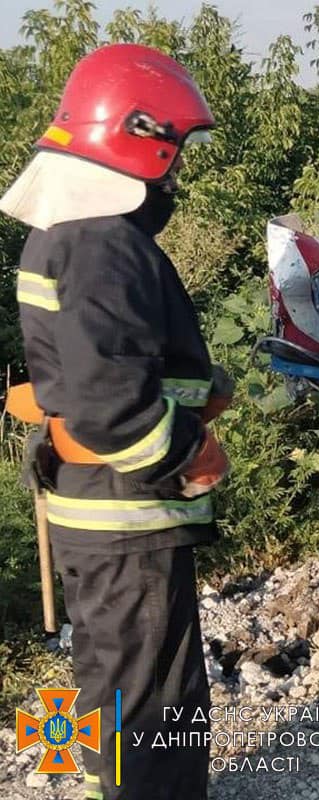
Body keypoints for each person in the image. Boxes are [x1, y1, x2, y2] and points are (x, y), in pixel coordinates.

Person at [1, 43, 230, 800]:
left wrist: (205, 385)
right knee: (159, 702)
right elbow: (109, 406)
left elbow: (90, 365)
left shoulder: (63, 232)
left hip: (91, 512)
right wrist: (194, 451)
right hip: (129, 513)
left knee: (111, 680)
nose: (175, 168)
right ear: (138, 139)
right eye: (173, 149)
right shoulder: (104, 240)